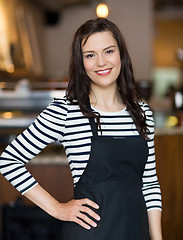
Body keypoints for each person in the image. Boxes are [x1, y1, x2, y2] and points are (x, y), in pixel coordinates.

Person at [0, 18, 162, 239]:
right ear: (81, 62)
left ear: (121, 55)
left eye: (108, 51)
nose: (101, 62)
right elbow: (9, 160)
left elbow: (149, 182)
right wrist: (57, 208)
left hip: (136, 232)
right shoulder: (66, 111)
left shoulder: (142, 112)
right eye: (90, 55)